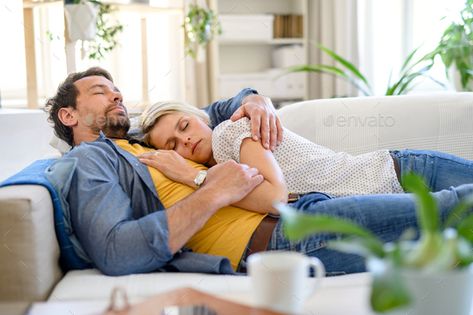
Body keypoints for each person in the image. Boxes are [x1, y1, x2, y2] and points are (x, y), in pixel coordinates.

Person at [46, 66, 473, 277]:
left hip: (300, 214)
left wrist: (254, 99)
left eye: (116, 89)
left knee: (448, 221)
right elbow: (117, 251)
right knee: (449, 211)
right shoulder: (88, 162)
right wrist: (211, 190)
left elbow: (209, 116)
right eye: (101, 92)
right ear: (69, 114)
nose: (116, 95)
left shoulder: (140, 140)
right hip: (280, 240)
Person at [138, 101, 473, 214]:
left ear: (199, 116)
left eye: (184, 126)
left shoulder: (229, 132)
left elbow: (275, 197)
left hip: (403, 173)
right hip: (389, 192)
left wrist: (192, 178)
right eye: (173, 145)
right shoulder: (223, 170)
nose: (186, 140)